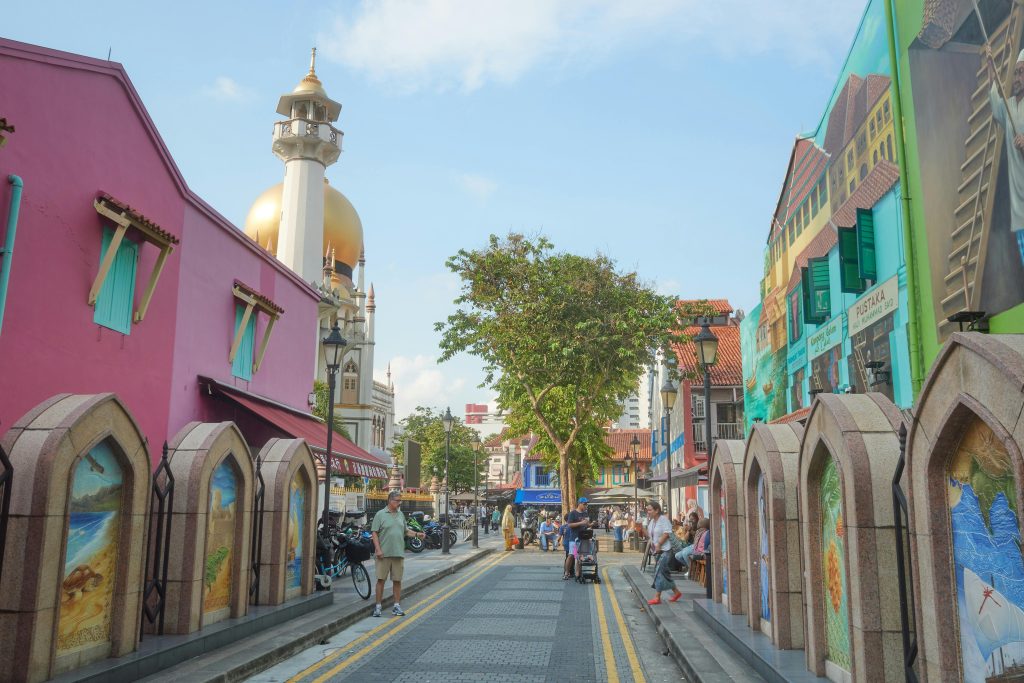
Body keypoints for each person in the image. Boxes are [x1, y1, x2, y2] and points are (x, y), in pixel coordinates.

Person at [986, 46, 1024, 267]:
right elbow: (994, 102)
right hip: (1019, 206)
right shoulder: (1008, 107)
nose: (1017, 78)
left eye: (1022, 73)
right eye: (1016, 73)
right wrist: (991, 67)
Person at [370, 491, 426, 618]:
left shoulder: (400, 515)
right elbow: (374, 533)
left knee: (397, 580)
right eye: (397, 500)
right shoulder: (380, 514)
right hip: (383, 554)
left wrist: (417, 534)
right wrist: (378, 549)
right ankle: (378, 606)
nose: (399, 502)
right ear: (390, 500)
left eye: (400, 500)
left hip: (398, 552)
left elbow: (405, 531)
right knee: (380, 580)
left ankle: (396, 605)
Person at [646, 500, 682, 605]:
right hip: (657, 552)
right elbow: (651, 536)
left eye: (650, 510)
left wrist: (659, 544)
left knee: (659, 571)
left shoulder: (664, 520)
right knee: (664, 573)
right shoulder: (652, 522)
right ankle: (676, 592)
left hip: (665, 550)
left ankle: (657, 597)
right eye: (647, 510)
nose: (648, 512)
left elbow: (667, 533)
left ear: (657, 510)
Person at [563, 497, 594, 580]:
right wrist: (581, 522)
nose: (586, 506)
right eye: (584, 504)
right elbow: (569, 525)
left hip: (583, 538)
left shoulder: (585, 513)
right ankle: (566, 573)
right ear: (579, 504)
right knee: (571, 555)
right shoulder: (573, 513)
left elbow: (586, 524)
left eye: (586, 504)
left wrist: (591, 524)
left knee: (580, 556)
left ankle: (578, 573)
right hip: (574, 538)